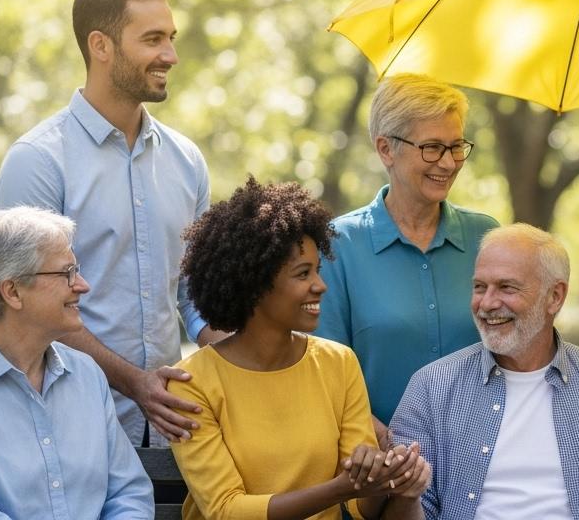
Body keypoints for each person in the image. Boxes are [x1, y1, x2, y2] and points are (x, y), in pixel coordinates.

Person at [0, 0, 219, 447]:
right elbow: (28, 310)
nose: (171, 55)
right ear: (101, 46)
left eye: (171, 38)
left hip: (171, 432)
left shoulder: (187, 162)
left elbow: (195, 296)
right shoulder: (36, 162)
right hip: (62, 431)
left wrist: (251, 356)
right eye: (153, 39)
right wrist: (133, 382)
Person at [170, 178, 430, 520]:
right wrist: (340, 487)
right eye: (302, 274)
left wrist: (382, 476)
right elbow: (225, 510)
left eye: (318, 271)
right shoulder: (192, 383)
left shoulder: (338, 363)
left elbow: (359, 505)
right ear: (255, 285)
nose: (320, 286)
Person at [391, 224, 579, 520]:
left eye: (507, 287)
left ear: (555, 297)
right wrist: (405, 492)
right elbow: (411, 508)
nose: (487, 304)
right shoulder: (431, 386)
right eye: (479, 287)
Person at [315, 73, 499, 441]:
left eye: (456, 146)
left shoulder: (487, 237)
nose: (448, 163)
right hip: (379, 466)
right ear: (386, 149)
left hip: (485, 454)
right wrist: (383, 444)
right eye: (431, 147)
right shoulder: (338, 245)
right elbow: (323, 375)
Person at [0, 207, 153, 518]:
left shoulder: (87, 374)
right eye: (66, 272)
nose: (82, 284)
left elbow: (130, 493)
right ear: (12, 291)